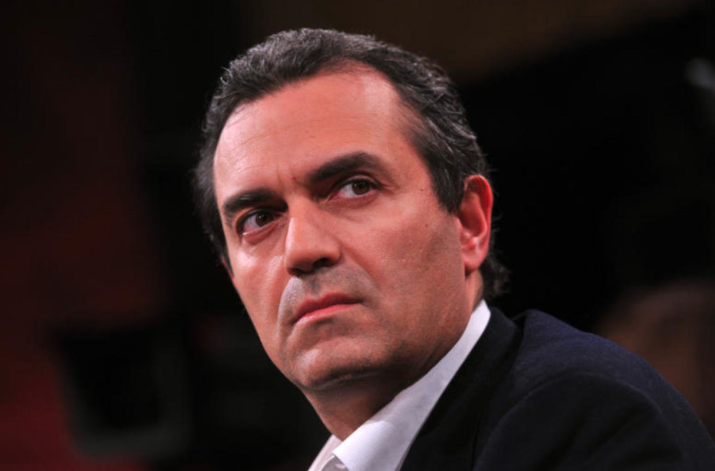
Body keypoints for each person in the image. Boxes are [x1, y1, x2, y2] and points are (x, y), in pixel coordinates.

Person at [193, 29, 715, 471]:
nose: (302, 249)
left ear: (468, 222)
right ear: (233, 277)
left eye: (354, 187)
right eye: (259, 219)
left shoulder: (584, 422)